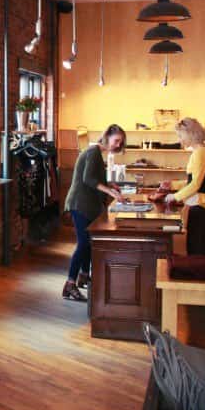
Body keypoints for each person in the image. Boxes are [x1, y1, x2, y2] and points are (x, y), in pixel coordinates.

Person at [62, 124, 127, 301]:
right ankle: (69, 284)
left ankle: (84, 276)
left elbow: (95, 178)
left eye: (120, 142)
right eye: (116, 140)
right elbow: (88, 179)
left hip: (88, 205)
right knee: (83, 243)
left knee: (89, 243)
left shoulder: (97, 153)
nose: (118, 144)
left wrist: (110, 185)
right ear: (107, 136)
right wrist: (110, 191)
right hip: (80, 203)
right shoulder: (93, 152)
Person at [163, 118, 205, 255]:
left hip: (200, 203)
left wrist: (174, 196)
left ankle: (199, 268)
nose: (180, 140)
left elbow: (195, 184)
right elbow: (194, 180)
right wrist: (172, 184)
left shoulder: (199, 153)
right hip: (202, 203)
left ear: (190, 134)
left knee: (196, 245)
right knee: (199, 241)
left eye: (180, 136)